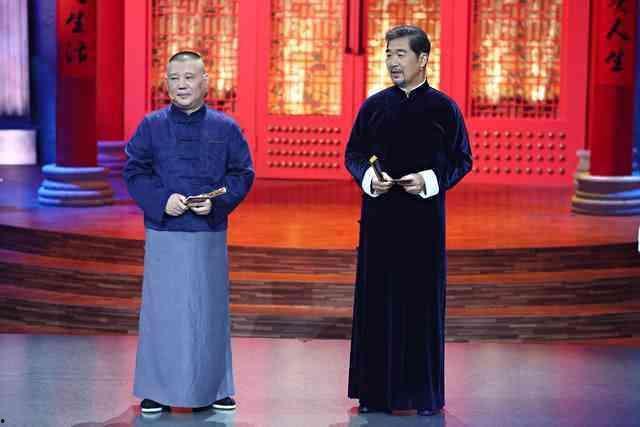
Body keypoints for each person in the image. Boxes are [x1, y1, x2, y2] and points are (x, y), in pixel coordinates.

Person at [345, 25, 472, 416]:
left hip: (423, 224)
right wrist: (370, 180)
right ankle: (374, 395)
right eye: (388, 54)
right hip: (380, 220)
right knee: (377, 305)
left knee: (421, 307)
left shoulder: (444, 109)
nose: (392, 62)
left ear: (423, 59)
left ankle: (423, 396)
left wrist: (429, 180)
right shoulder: (373, 107)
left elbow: (462, 159)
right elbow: (354, 154)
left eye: (400, 54)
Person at [123, 51, 254, 415]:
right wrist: (161, 201)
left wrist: (218, 203)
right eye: (174, 78)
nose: (181, 85)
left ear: (205, 82)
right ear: (166, 83)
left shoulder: (226, 128)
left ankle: (214, 388)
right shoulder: (150, 126)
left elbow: (242, 174)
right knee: (162, 312)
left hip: (207, 232)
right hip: (165, 231)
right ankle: (157, 390)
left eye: (189, 77)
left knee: (208, 313)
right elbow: (134, 171)